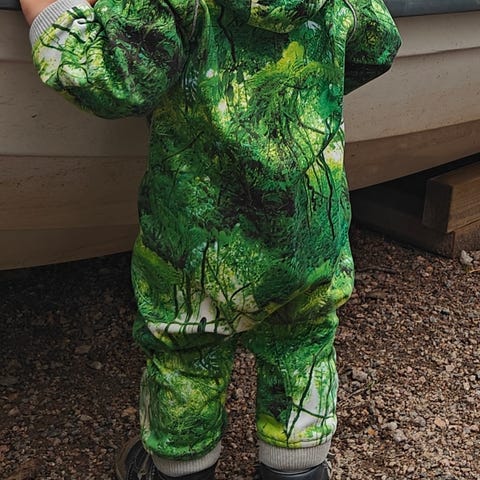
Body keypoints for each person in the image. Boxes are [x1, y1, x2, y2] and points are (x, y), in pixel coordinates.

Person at [20, 0, 400, 478]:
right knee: (302, 340)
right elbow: (375, 45)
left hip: (198, 239)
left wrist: (48, 10)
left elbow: (110, 78)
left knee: (188, 347)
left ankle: (180, 470)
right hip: (306, 229)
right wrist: (302, 90)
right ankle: (297, 471)